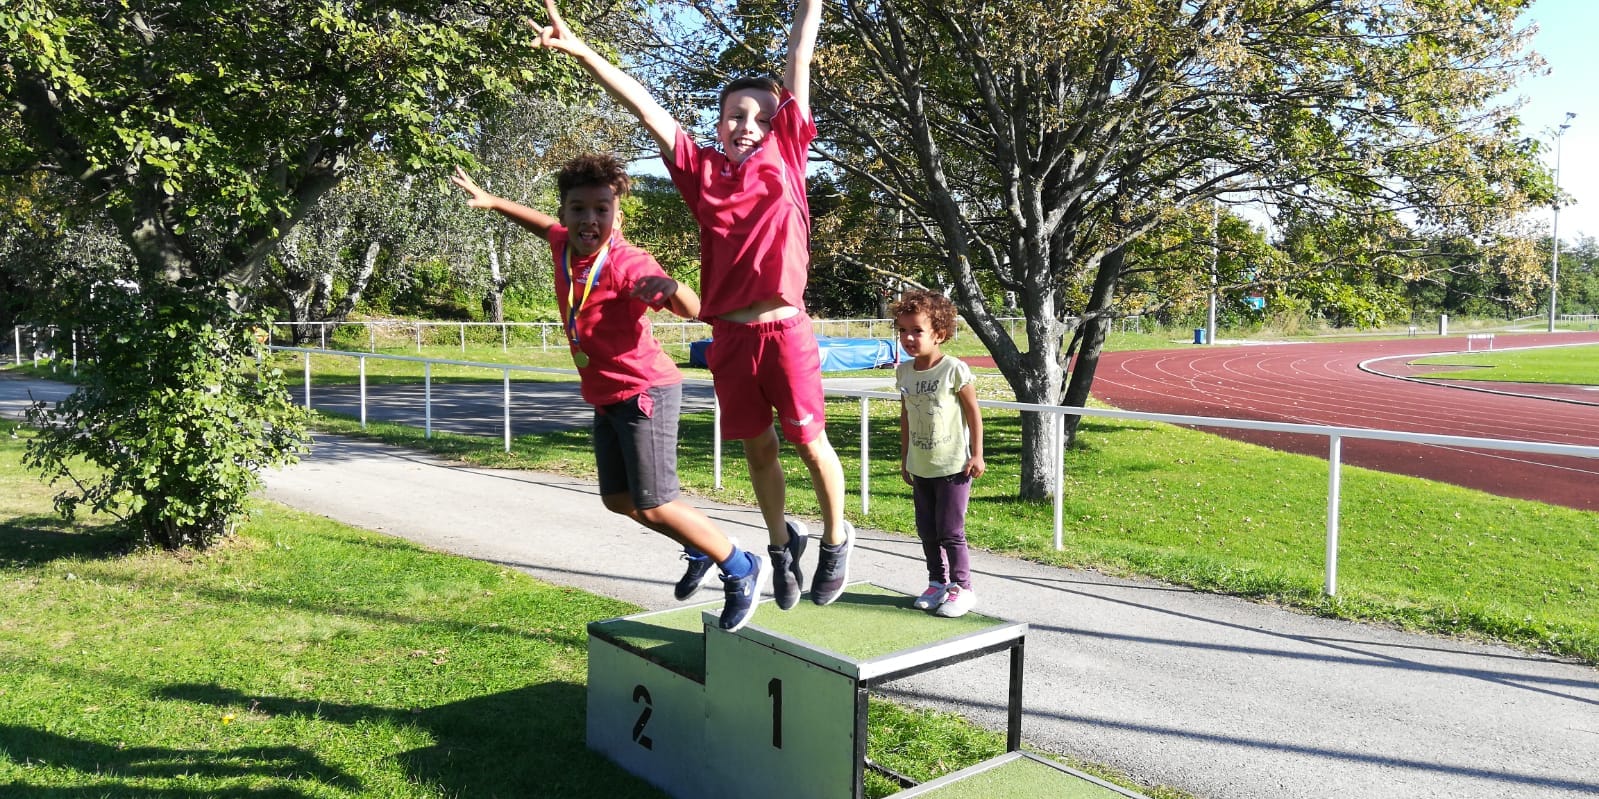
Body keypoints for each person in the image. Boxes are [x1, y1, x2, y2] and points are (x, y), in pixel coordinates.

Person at [529, 0, 853, 609]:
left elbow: (799, 53)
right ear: (718, 123)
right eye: (734, 115)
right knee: (758, 450)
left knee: (810, 444)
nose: (747, 125)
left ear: (779, 123)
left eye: (760, 116)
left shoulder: (787, 153)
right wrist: (582, 51)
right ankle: (780, 545)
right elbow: (645, 107)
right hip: (729, 337)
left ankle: (836, 540)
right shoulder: (699, 171)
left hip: (784, 331)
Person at [450, 156, 766, 632]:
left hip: (645, 391)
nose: (590, 219)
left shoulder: (626, 262)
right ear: (565, 212)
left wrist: (673, 286)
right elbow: (542, 226)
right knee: (618, 499)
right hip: (606, 394)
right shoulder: (562, 244)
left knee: (656, 502)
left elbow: (693, 308)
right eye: (578, 209)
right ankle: (699, 546)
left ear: (617, 216)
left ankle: (741, 565)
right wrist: (494, 202)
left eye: (602, 209)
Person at [892, 290, 984, 618]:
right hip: (921, 466)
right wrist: (905, 457)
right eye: (903, 330)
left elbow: (973, 413)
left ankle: (963, 588)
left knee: (951, 531)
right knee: (927, 531)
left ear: (939, 334)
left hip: (954, 467)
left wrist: (977, 454)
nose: (908, 338)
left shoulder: (954, 370)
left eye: (917, 330)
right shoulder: (904, 372)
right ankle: (937, 583)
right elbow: (906, 416)